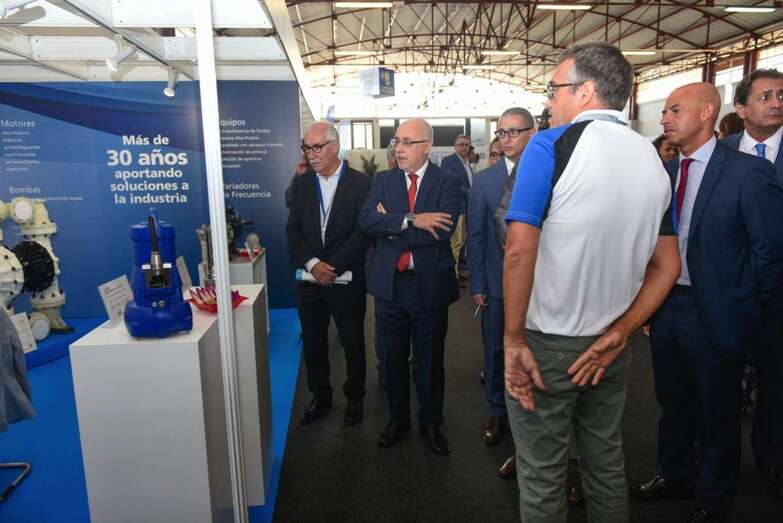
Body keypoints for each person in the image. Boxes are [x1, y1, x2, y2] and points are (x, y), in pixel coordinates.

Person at [503, 42, 680, 523]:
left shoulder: (549, 145)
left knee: (542, 474)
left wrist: (513, 339)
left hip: (548, 342)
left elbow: (519, 249)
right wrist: (622, 331)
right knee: (604, 462)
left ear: (585, 92)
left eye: (554, 89)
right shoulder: (653, 160)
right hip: (610, 346)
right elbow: (668, 266)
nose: (548, 102)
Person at [631, 82, 783, 522]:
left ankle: (714, 500)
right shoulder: (665, 172)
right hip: (668, 306)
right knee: (672, 401)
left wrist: (749, 312)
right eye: (664, 111)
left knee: (718, 412)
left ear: (705, 114)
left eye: (675, 110)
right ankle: (675, 473)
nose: (665, 119)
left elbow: (770, 254)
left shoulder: (748, 173)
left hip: (719, 311)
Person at [358, 118, 460, 455]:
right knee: (392, 358)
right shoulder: (383, 180)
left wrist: (390, 224)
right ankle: (397, 419)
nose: (399, 149)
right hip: (390, 286)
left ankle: (431, 423)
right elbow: (366, 221)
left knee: (430, 360)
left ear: (427, 146)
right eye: (396, 141)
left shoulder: (448, 181)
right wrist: (413, 219)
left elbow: (441, 231)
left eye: (407, 142)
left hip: (429, 286)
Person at [721, 68, 783, 501]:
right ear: (741, 108)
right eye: (765, 96)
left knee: (775, 384)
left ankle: (771, 458)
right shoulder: (718, 154)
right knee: (718, 384)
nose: (777, 102)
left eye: (781, 94)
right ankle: (713, 462)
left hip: (779, 295)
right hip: (727, 291)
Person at [285, 121, 371, 427]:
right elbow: (293, 230)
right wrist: (312, 264)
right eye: (306, 148)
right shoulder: (302, 184)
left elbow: (364, 232)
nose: (311, 154)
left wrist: (330, 267)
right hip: (310, 281)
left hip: (346, 279)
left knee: (352, 342)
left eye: (317, 147)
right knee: (313, 342)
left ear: (334, 147)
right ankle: (320, 396)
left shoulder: (361, 184)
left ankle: (355, 397)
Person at [467, 108, 535, 449]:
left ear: (532, 132)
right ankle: (497, 411)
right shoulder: (484, 181)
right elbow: (476, 235)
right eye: (501, 133)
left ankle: (531, 414)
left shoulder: (548, 172)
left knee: (536, 349)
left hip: (539, 284)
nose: (506, 139)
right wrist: (477, 283)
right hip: (496, 284)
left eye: (513, 132)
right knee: (495, 351)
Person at [440, 134, 472, 278]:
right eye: (461, 145)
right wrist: (469, 192)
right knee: (455, 242)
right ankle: (452, 276)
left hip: (466, 208)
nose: (464, 147)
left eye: (467, 145)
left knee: (462, 241)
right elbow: (449, 184)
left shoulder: (467, 163)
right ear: (455, 146)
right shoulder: (449, 161)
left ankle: (457, 271)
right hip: (456, 208)